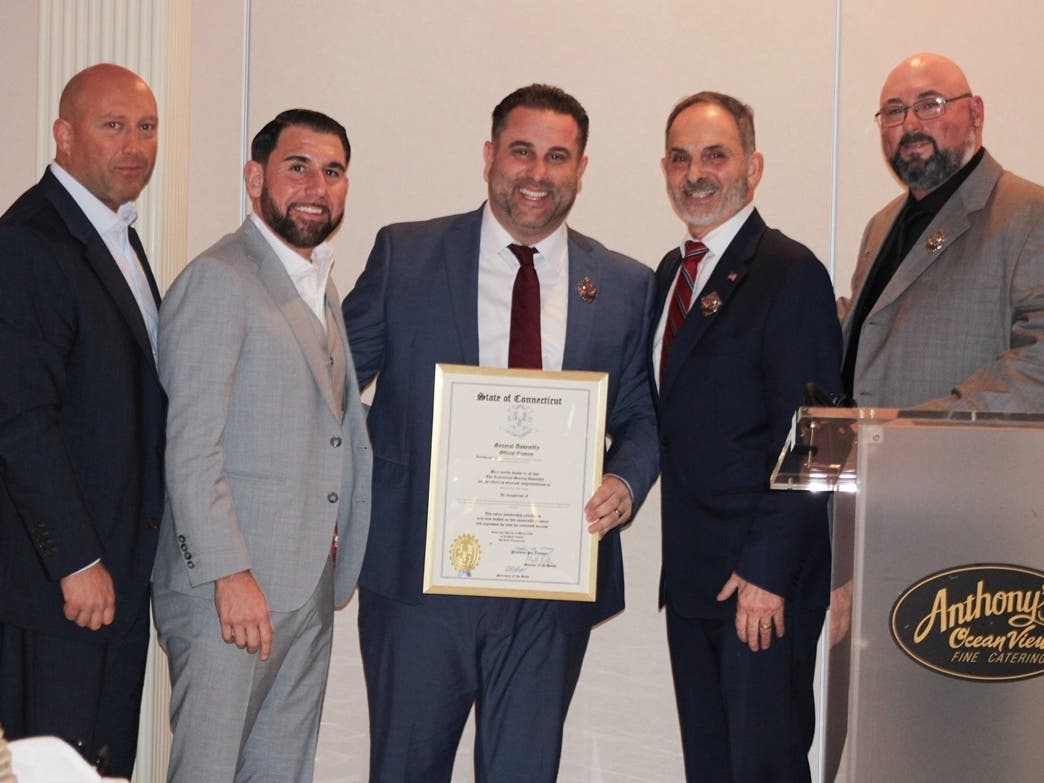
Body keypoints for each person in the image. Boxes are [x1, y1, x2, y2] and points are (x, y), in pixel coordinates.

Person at [342, 83, 659, 782]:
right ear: (490, 155)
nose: (537, 173)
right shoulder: (406, 255)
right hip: (418, 581)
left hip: (549, 588)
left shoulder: (626, 284)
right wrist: (349, 491)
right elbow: (327, 386)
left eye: (557, 156)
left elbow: (640, 414)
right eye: (521, 151)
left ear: (580, 169)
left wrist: (625, 481)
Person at [151, 109, 372, 782]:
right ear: (256, 178)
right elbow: (191, 446)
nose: (317, 185)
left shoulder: (319, 283)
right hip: (230, 595)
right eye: (297, 166)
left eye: (332, 171)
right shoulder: (220, 279)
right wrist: (227, 573)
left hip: (306, 590)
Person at [652, 92, 842, 783]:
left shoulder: (789, 273)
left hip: (761, 586)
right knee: (710, 766)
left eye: (715, 154)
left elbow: (816, 434)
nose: (695, 172)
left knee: (762, 767)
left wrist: (767, 570)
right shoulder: (670, 279)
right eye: (680, 157)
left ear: (752, 167)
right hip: (695, 579)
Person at [0, 63, 164, 777]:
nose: (134, 145)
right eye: (113, 125)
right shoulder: (30, 241)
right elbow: (19, 418)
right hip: (60, 591)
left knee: (100, 768)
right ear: (64, 136)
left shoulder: (113, 234)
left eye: (147, 127)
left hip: (114, 583)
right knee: (53, 766)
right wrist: (76, 559)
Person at [840, 52, 1044, 411]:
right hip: (874, 459)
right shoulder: (881, 225)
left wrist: (926, 428)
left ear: (976, 114)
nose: (910, 124)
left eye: (930, 105)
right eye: (893, 111)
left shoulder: (1030, 214)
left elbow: (1037, 365)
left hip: (964, 463)